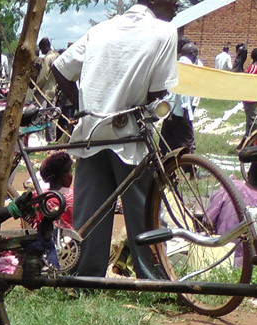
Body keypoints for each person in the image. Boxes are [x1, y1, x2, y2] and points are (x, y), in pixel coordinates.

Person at [52, 0, 179, 280]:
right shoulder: (165, 31)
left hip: (91, 134)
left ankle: (86, 278)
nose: (178, 3)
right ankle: (153, 279)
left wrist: (85, 108)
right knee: (143, 211)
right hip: (129, 135)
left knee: (91, 214)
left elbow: (60, 67)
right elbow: (158, 91)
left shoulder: (101, 29)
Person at [205, 159, 257, 264]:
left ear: (249, 171)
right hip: (254, 261)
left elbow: (208, 220)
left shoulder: (231, 186)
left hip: (220, 256)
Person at [162, 42, 199, 155]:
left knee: (167, 143)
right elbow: (183, 91)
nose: (196, 57)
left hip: (168, 110)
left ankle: (164, 165)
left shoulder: (175, 64)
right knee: (187, 143)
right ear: (191, 53)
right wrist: (186, 110)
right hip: (180, 112)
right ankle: (190, 165)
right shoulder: (187, 67)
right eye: (196, 54)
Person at [245, 47, 257, 139]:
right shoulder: (254, 67)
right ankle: (249, 141)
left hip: (254, 98)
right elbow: (249, 79)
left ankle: (249, 141)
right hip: (250, 99)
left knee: (253, 122)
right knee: (253, 123)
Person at [33, 37, 60, 104]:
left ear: (45, 47)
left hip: (45, 92)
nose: (41, 52)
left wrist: (36, 88)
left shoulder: (47, 58)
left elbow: (43, 77)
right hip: (54, 91)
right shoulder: (57, 56)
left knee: (40, 110)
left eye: (41, 49)